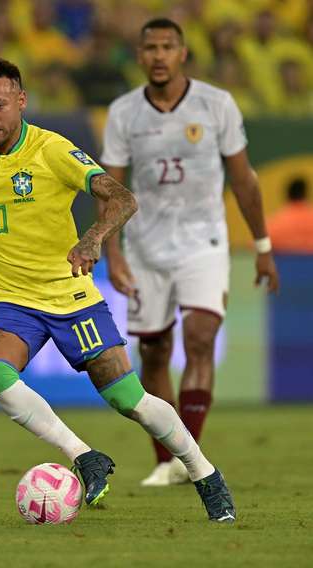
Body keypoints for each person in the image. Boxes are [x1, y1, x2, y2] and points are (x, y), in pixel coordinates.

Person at [0, 58, 236, 523]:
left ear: (21, 101)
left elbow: (123, 198)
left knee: (129, 401)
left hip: (70, 297)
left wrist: (93, 237)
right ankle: (83, 455)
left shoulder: (52, 151)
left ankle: (205, 473)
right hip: (9, 299)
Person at [100, 19, 279, 487]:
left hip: (205, 241)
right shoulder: (123, 113)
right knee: (154, 352)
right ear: (139, 56)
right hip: (144, 247)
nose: (159, 55)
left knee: (200, 338)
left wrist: (262, 246)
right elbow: (111, 189)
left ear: (183, 54)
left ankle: (187, 458)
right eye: (150, 48)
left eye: (168, 47)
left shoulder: (216, 104)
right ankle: (166, 458)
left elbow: (244, 179)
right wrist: (113, 253)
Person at [268, 178, 313, 253]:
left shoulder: (275, 223)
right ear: (306, 194)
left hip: (281, 263)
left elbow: (258, 247)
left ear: (288, 195)